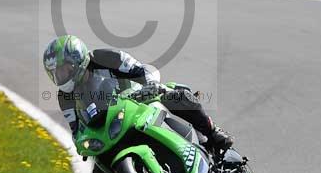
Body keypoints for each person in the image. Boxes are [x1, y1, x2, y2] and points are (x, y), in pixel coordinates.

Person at [42, 35, 234, 154]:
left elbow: (140, 69)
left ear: (75, 60)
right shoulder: (64, 97)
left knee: (175, 94)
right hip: (111, 121)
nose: (60, 76)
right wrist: (82, 143)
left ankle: (212, 130)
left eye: (62, 70)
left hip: (138, 96)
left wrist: (151, 86)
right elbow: (76, 130)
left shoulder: (103, 57)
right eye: (55, 74)